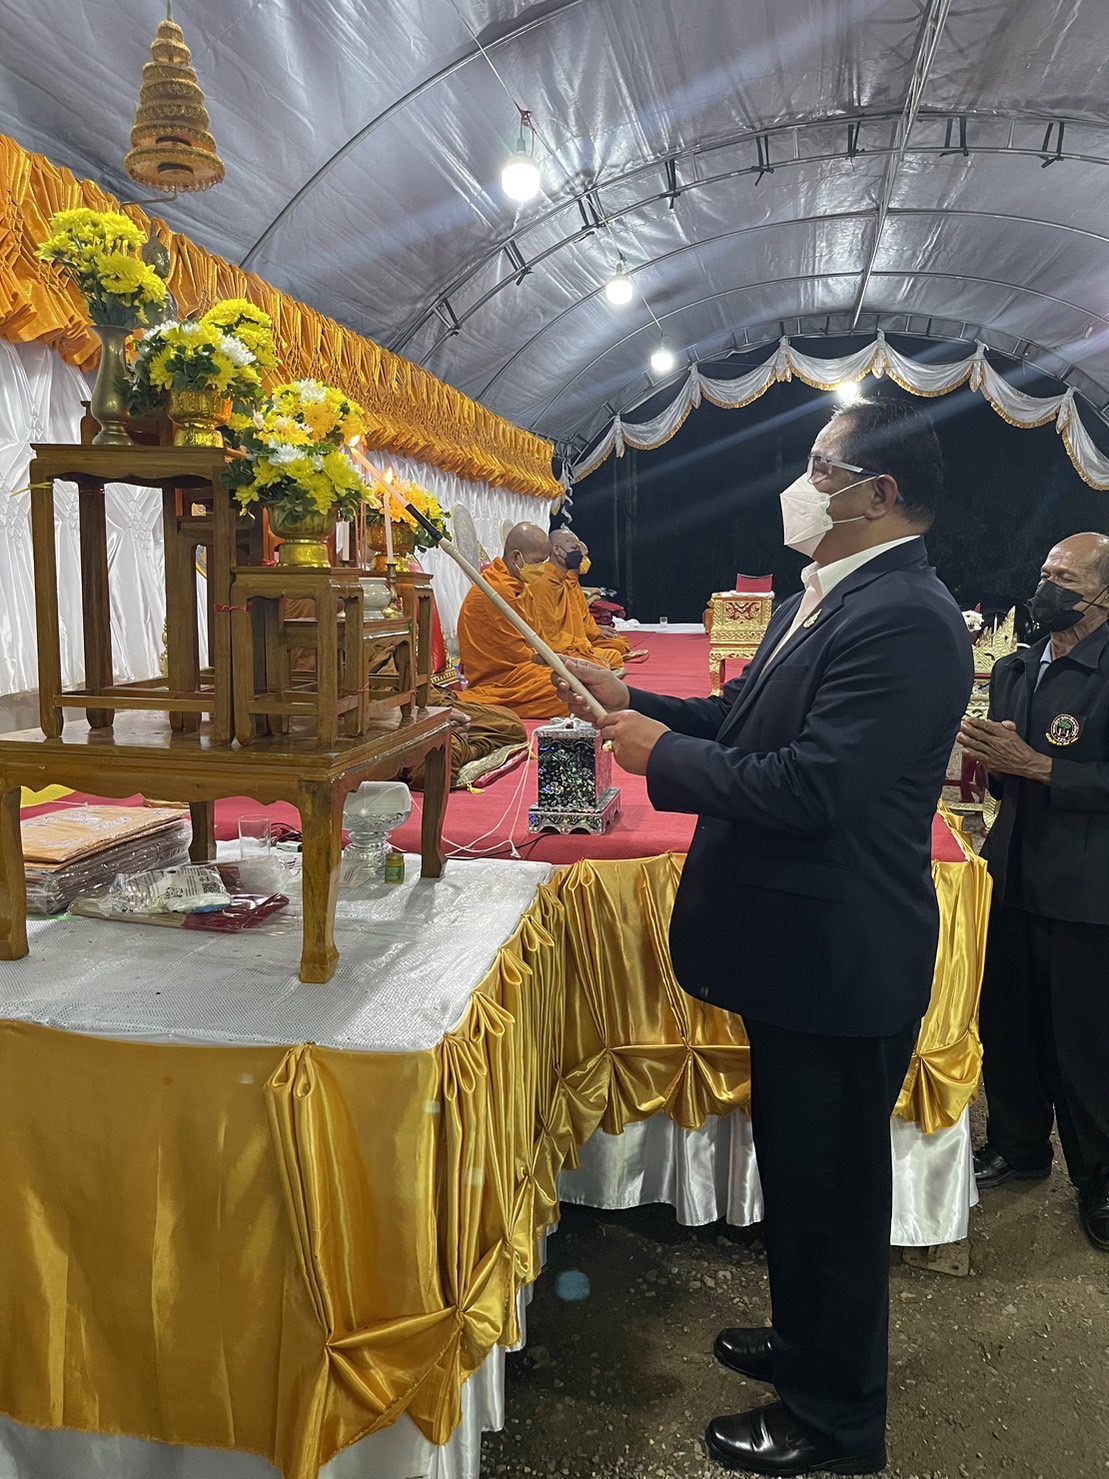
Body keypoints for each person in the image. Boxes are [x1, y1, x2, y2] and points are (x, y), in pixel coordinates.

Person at [553, 399, 971, 1477]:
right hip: (795, 951)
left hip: (841, 953)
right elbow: (742, 723)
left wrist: (658, 758)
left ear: (878, 492)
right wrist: (631, 699)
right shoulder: (822, 594)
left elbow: (815, 786)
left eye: (820, 467)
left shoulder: (907, 617)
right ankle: (802, 1342)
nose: (801, 485)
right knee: (798, 1171)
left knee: (830, 1197)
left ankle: (833, 1422)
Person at [958, 532, 1109, 1253]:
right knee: (1008, 1022)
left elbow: (1042, 765)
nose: (1047, 587)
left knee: (1084, 1040)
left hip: (1086, 889)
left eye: (1065, 578)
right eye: (1045, 572)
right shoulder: (1017, 666)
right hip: (1011, 870)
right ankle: (1017, 1146)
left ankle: (1100, 1177)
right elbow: (1004, 768)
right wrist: (989, 762)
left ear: (1103, 593)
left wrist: (1040, 767)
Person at [456, 522, 567, 718]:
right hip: (501, 681)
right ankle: (493, 706)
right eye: (538, 562)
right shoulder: (495, 592)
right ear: (516, 557)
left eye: (544, 562)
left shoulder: (521, 587)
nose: (542, 569)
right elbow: (515, 656)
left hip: (526, 673)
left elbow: (538, 640)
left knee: (577, 679)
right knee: (566, 692)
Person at [530, 529, 647, 672]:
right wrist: (583, 643)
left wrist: (591, 635)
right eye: (575, 549)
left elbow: (576, 621)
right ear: (556, 550)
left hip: (576, 644)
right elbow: (548, 634)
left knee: (617, 649)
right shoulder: (543, 583)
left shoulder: (563, 582)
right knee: (612, 656)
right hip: (560, 649)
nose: (580, 557)